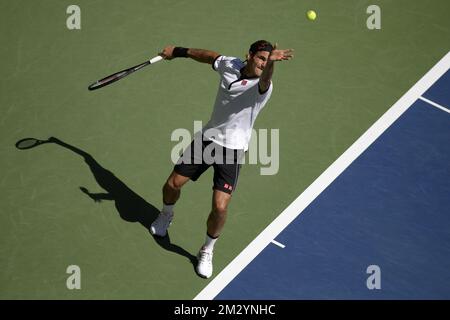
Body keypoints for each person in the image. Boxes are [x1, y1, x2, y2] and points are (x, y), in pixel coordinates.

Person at [150, 41, 294, 278]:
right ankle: (166, 214)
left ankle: (207, 249)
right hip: (208, 138)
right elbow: (208, 55)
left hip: (233, 151)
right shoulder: (229, 64)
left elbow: (266, 78)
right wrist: (178, 52)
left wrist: (271, 65)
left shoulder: (263, 86)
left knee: (220, 206)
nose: (263, 63)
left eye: (267, 60)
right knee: (172, 185)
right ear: (248, 56)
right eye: (260, 58)